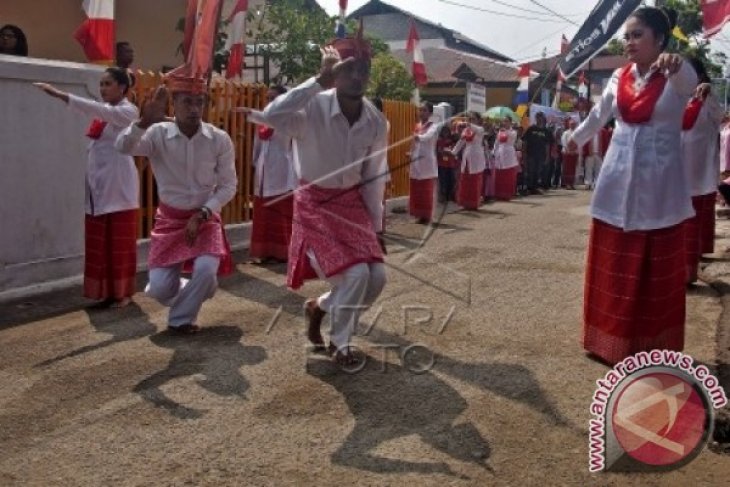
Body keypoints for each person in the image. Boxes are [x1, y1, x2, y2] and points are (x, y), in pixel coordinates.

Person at [569, 6, 698, 365]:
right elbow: (600, 114)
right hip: (617, 179)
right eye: (627, 36)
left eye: (638, 34)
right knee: (612, 266)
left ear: (660, 40)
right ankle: (607, 341)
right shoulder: (618, 77)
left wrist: (676, 64)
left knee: (655, 275)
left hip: (660, 188)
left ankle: (653, 348)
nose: (629, 42)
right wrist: (576, 138)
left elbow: (688, 85)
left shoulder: (677, 72)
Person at [260, 34, 388, 366]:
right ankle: (341, 344)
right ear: (335, 72)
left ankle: (320, 308)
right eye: (349, 69)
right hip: (314, 204)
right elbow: (270, 117)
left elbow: (374, 177)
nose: (357, 76)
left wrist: (377, 227)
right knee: (356, 275)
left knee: (378, 278)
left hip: (351, 205)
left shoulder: (375, 119)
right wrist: (317, 80)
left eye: (363, 69)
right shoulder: (311, 106)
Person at [115, 73, 238, 334]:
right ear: (174, 103)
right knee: (159, 289)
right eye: (187, 102)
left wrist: (204, 212)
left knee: (205, 270)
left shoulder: (219, 139)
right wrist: (144, 121)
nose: (194, 109)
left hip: (204, 220)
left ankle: (180, 320)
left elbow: (229, 185)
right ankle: (198, 288)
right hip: (169, 220)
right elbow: (123, 147)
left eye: (199, 102)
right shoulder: (157, 134)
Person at [33, 68, 139, 308]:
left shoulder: (127, 111)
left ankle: (122, 293)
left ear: (122, 88)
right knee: (100, 241)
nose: (102, 89)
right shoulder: (105, 115)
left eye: (108, 84)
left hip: (118, 186)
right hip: (98, 186)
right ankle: (104, 291)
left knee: (118, 243)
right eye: (101, 84)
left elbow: (98, 108)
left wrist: (61, 95)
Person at [241, 85, 296, 264]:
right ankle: (265, 252)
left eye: (274, 99)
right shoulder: (263, 122)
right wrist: (255, 162)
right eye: (268, 98)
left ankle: (284, 252)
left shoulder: (288, 119)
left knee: (281, 213)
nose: (269, 102)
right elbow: (257, 145)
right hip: (264, 172)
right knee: (263, 212)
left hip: (283, 172)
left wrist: (252, 113)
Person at [681, 58, 724, 283]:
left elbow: (719, 117)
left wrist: (711, 92)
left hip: (697, 174)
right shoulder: (676, 96)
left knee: (691, 223)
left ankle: (688, 275)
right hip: (675, 173)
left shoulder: (707, 97)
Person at [409, 101, 440, 224]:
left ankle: (427, 215)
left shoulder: (433, 126)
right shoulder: (417, 126)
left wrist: (418, 137)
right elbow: (413, 144)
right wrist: (410, 153)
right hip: (416, 160)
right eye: (420, 110)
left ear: (430, 113)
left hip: (427, 160)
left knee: (426, 188)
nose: (421, 112)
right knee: (416, 187)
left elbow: (427, 137)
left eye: (424, 110)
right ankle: (419, 214)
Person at [451, 112, 486, 210]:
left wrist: (468, 124)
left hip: (476, 156)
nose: (471, 120)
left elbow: (475, 128)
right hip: (467, 156)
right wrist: (453, 152)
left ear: (478, 120)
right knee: (465, 180)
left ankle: (474, 203)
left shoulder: (480, 129)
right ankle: (465, 202)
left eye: (473, 119)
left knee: (475, 180)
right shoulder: (466, 130)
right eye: (470, 119)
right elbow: (461, 142)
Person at [522, 112, 554, 195]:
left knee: (538, 172)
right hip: (530, 154)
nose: (539, 119)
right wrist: (524, 153)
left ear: (543, 118)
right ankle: (529, 188)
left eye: (541, 117)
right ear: (536, 118)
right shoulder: (530, 129)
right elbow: (525, 141)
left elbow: (547, 145)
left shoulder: (546, 131)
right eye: (538, 117)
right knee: (530, 171)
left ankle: (535, 188)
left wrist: (547, 156)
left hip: (541, 155)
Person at [492, 116, 519, 200]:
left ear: (510, 122)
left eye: (506, 121)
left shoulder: (513, 132)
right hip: (500, 153)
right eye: (503, 121)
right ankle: (499, 194)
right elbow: (496, 143)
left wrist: (504, 131)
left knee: (508, 175)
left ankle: (507, 194)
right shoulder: (500, 131)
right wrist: (493, 151)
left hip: (509, 153)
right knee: (500, 175)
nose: (504, 123)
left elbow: (511, 137)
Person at [436, 124, 458, 202]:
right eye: (444, 132)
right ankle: (442, 197)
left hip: (451, 163)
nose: (445, 133)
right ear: (441, 132)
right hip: (442, 164)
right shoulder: (439, 141)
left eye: (447, 132)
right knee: (443, 181)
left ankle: (450, 196)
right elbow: (437, 151)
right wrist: (441, 152)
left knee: (451, 180)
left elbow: (454, 151)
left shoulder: (451, 141)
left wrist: (449, 152)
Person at [561, 119, 579, 189]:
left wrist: (574, 151)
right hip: (567, 153)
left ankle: (571, 183)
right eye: (571, 124)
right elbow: (564, 142)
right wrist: (568, 150)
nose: (572, 125)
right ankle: (566, 183)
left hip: (574, 153)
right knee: (566, 169)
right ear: (569, 125)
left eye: (574, 124)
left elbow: (578, 143)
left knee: (573, 169)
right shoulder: (566, 133)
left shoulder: (577, 133)